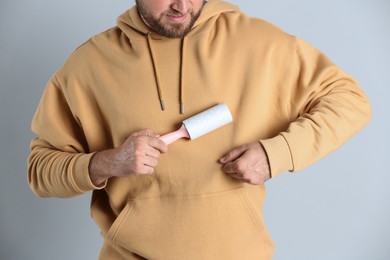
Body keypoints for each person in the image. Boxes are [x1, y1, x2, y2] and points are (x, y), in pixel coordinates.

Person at [27, 0, 371, 259]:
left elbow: (350, 100)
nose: (182, 5)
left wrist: (277, 153)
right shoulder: (88, 65)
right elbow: (39, 171)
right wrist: (106, 163)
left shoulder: (259, 43)